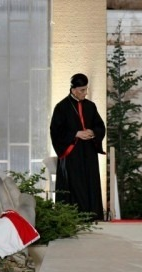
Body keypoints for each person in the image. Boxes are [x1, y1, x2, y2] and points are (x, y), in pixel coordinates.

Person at [50, 73, 106, 221]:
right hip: (72, 154)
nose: (85, 93)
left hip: (89, 152)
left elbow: (100, 126)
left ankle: (92, 217)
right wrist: (76, 133)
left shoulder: (90, 106)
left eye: (86, 89)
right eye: (82, 90)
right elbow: (56, 131)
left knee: (90, 183)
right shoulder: (61, 107)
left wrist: (92, 132)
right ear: (73, 90)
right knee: (75, 185)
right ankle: (74, 218)